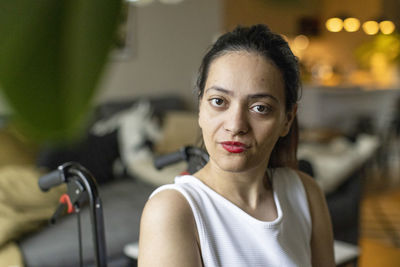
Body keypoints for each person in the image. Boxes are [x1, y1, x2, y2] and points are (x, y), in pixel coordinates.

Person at [138, 24, 335, 267]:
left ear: (288, 119)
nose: (236, 125)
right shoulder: (172, 211)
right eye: (219, 101)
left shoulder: (306, 194)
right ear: (200, 108)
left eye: (260, 108)